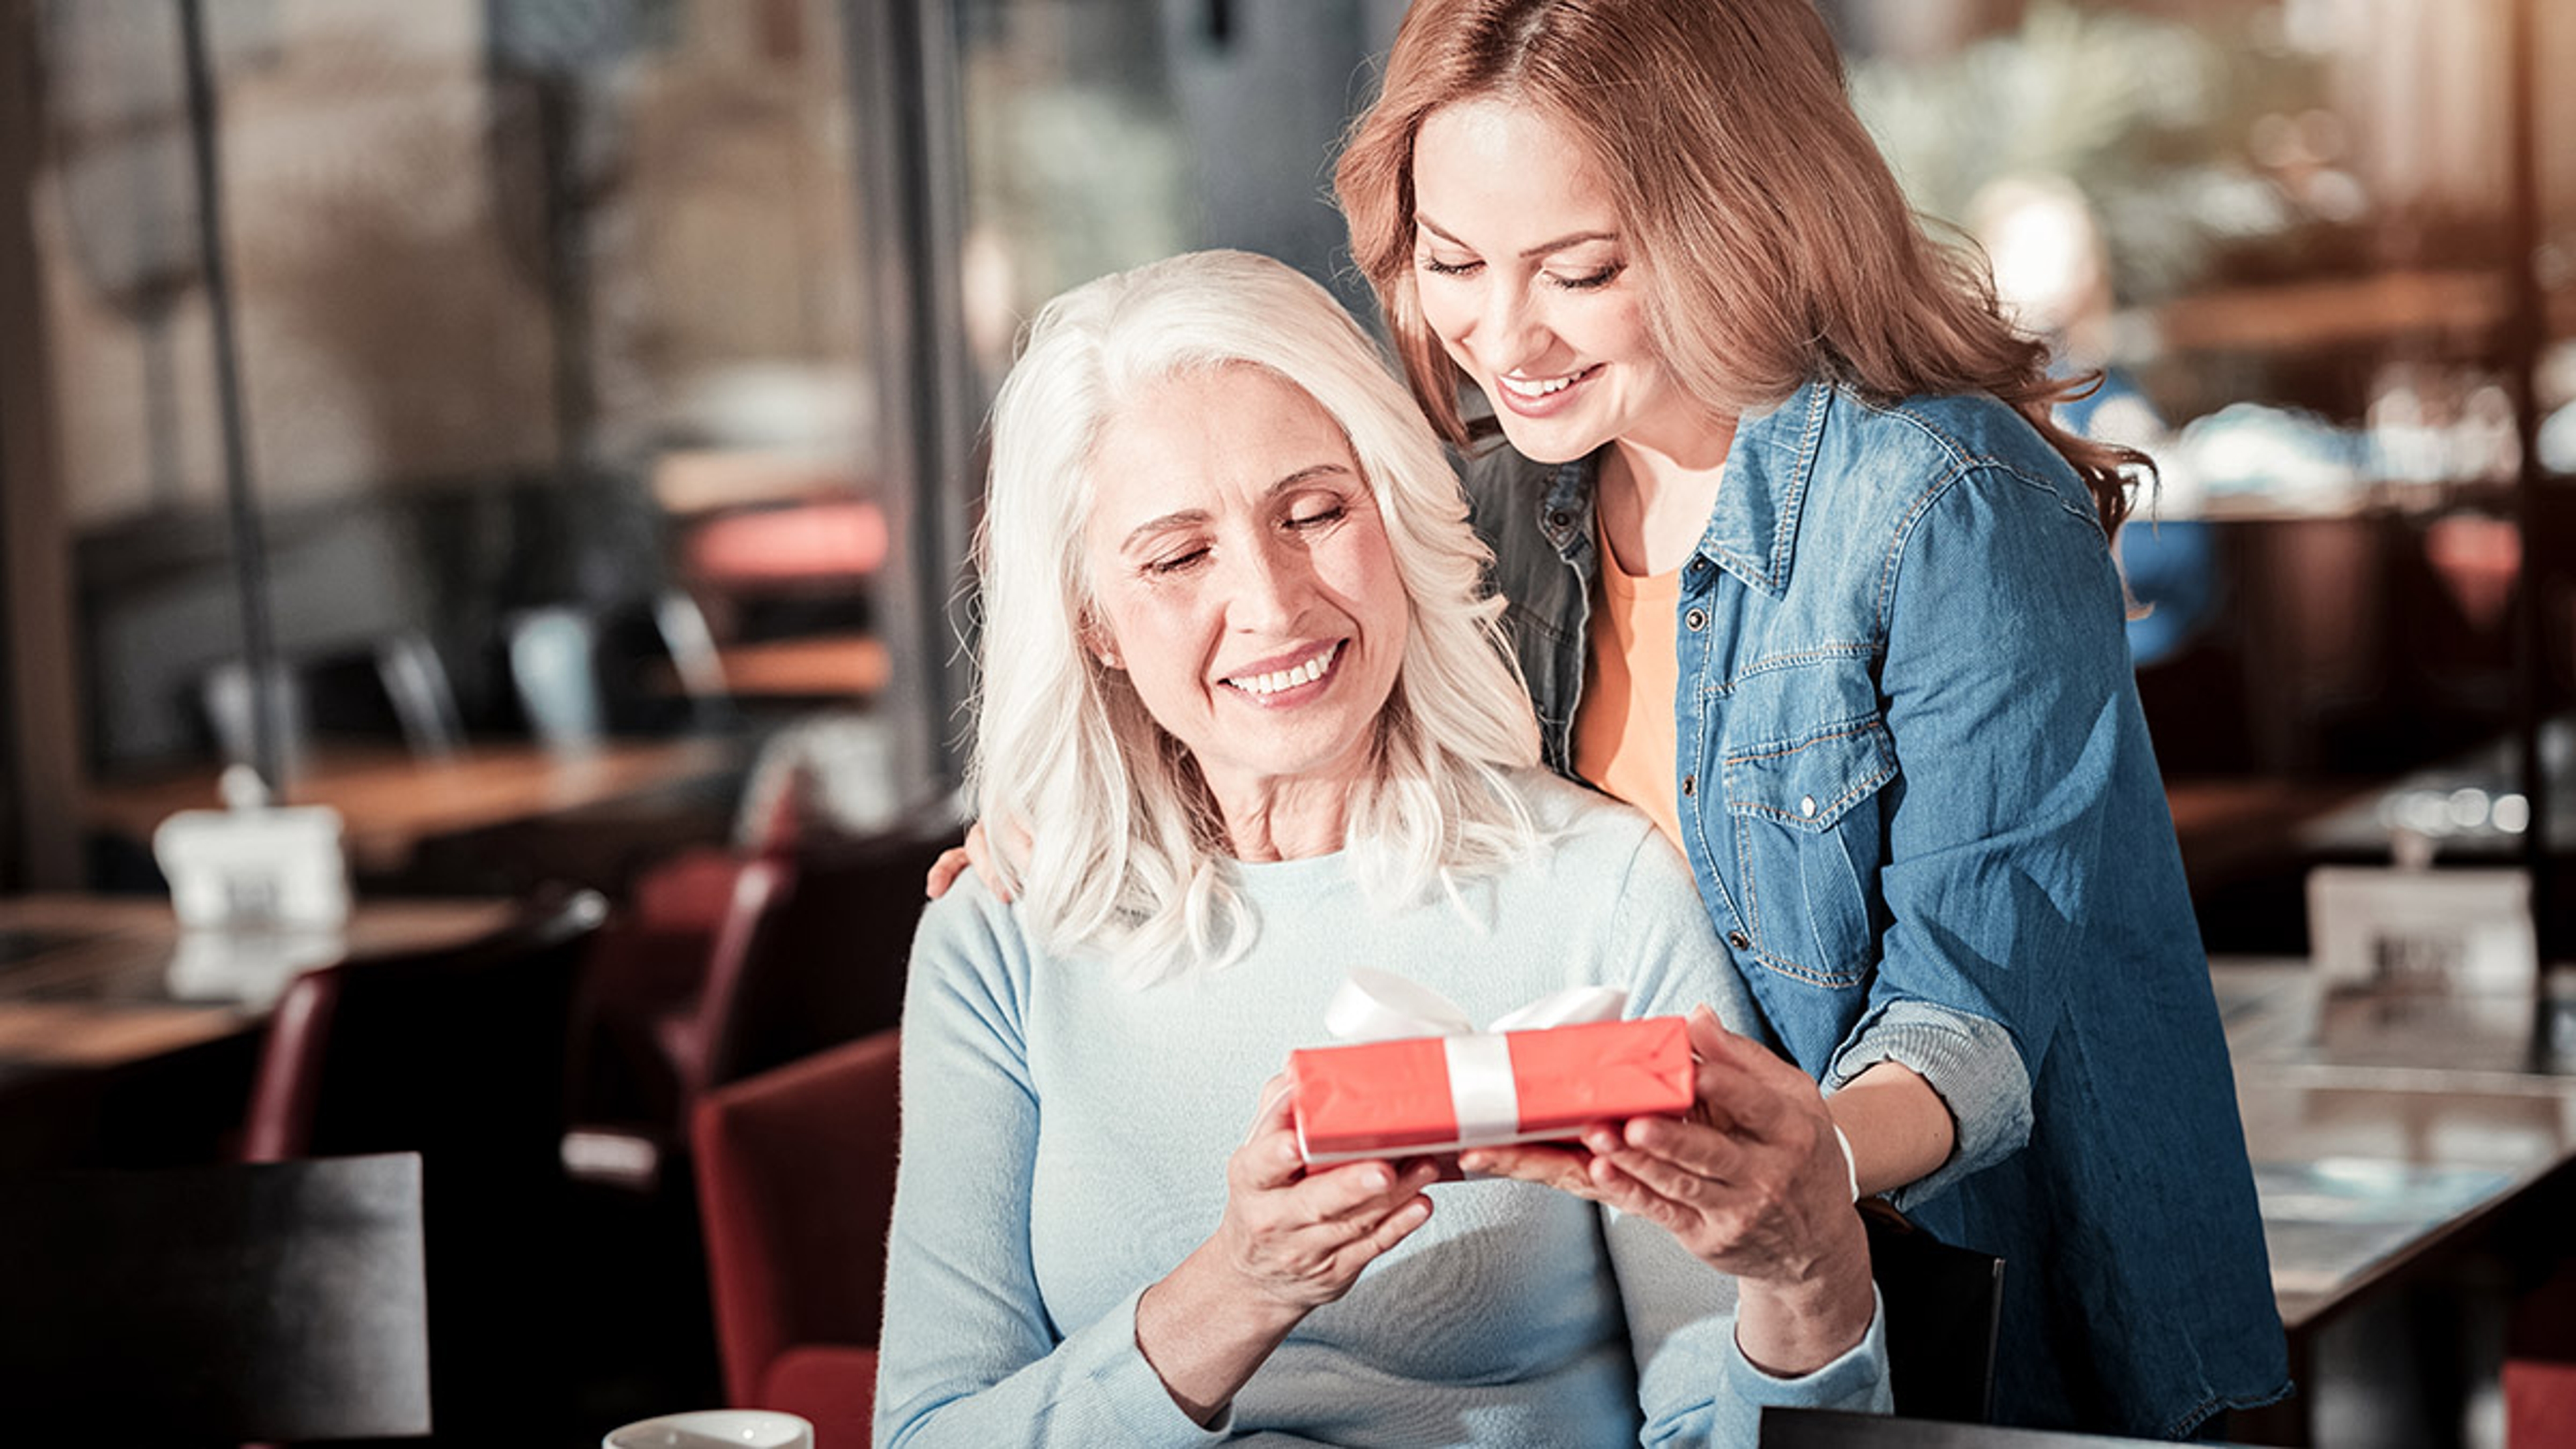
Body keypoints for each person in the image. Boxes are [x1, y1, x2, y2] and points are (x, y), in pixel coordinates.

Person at [1330, 0, 2287, 1438]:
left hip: (1993, 1344)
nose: (1502, 337)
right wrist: (1068, 847)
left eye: (1580, 272)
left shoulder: (1944, 505)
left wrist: (1782, 1183)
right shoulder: (1500, 511)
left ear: (1740, 219)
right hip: (1670, 1344)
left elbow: (1964, 1028)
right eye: (1453, 263)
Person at [877, 249, 1888, 1447]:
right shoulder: (1000, 935)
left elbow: (1720, 1431)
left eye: (1314, 513)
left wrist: (1812, 1277)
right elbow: (925, 1436)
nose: (1274, 601)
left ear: (1395, 517)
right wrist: (1239, 1290)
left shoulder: (1597, 895)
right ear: (1092, 618)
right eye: (1180, 555)